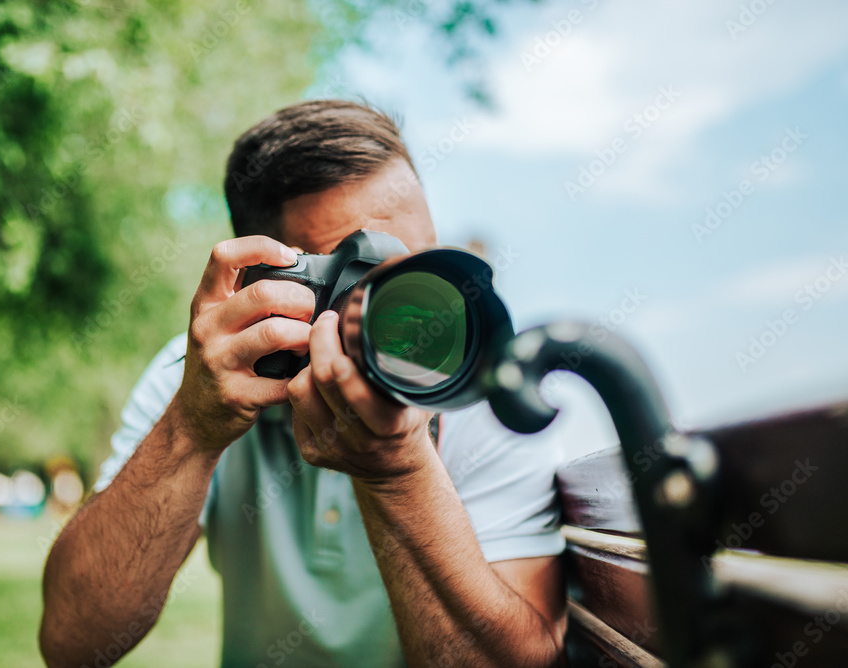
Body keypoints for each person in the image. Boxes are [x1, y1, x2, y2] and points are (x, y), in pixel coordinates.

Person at [40, 100, 567, 668]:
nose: (412, 311)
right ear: (264, 286)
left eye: (418, 265)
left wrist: (398, 473)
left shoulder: (484, 384)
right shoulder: (206, 378)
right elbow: (73, 643)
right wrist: (192, 429)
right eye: (358, 277)